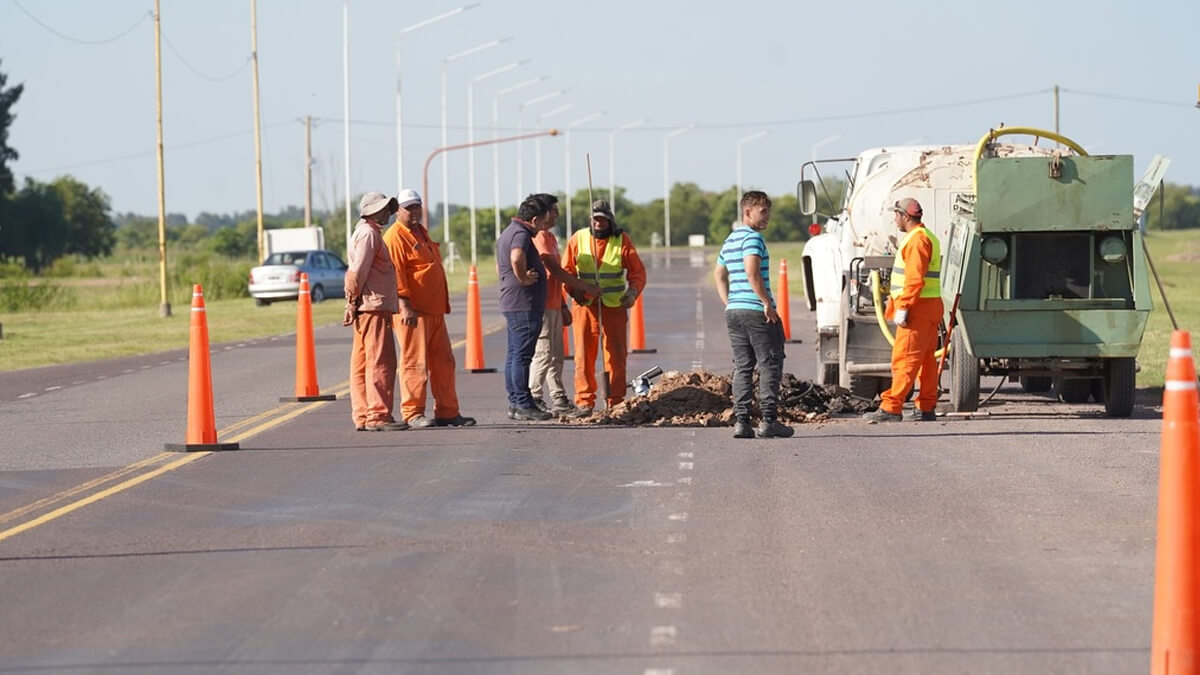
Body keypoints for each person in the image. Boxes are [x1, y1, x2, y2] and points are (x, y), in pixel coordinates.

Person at [382, 189, 476, 428]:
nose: (414, 211)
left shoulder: (420, 232)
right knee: (415, 363)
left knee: (445, 361)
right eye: (408, 207)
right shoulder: (395, 237)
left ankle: (447, 411)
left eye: (417, 206)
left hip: (434, 311)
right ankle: (413, 413)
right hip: (413, 312)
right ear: (398, 211)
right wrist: (404, 305)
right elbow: (396, 274)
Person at [713, 191, 794, 439]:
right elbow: (752, 272)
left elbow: (719, 274)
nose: (767, 216)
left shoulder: (729, 240)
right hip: (756, 311)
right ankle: (769, 421)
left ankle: (742, 422)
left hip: (735, 311)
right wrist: (766, 303)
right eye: (763, 211)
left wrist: (730, 302)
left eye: (768, 211)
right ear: (747, 212)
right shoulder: (753, 239)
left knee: (743, 367)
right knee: (770, 363)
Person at [863, 197, 944, 423]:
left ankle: (891, 407)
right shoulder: (927, 237)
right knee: (926, 361)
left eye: (896, 215)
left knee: (905, 359)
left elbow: (915, 279)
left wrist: (904, 306)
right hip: (928, 307)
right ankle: (926, 407)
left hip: (917, 309)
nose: (894, 219)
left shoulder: (917, 241)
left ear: (905, 216)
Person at [562, 199, 647, 414]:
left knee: (616, 356)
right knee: (583, 355)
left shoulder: (622, 240)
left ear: (610, 221)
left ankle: (615, 400)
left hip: (614, 306)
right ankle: (584, 401)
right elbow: (567, 271)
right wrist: (577, 291)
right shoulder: (578, 239)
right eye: (595, 219)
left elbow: (637, 272)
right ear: (590, 220)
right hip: (585, 306)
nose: (599, 223)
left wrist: (632, 293)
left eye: (603, 220)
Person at [529, 197, 603, 415]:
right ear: (543, 215)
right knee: (543, 353)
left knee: (557, 355)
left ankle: (558, 397)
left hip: (553, 302)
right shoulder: (540, 237)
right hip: (541, 304)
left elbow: (557, 279)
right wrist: (584, 286)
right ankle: (533, 396)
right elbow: (556, 270)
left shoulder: (551, 237)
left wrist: (562, 304)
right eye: (553, 211)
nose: (556, 215)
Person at [343, 191, 407, 432]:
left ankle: (363, 414)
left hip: (366, 305)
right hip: (372, 306)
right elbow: (357, 273)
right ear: (369, 211)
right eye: (381, 209)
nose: (385, 213)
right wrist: (351, 301)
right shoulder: (369, 234)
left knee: (362, 362)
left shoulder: (363, 232)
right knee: (381, 361)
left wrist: (351, 303)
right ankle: (378, 415)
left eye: (386, 208)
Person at [496, 193, 555, 421]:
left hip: (514, 303)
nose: (544, 226)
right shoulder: (520, 234)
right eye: (543, 221)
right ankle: (522, 403)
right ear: (534, 220)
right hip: (523, 303)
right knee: (521, 356)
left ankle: (517, 401)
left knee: (514, 355)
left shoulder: (509, 231)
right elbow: (517, 256)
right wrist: (522, 277)